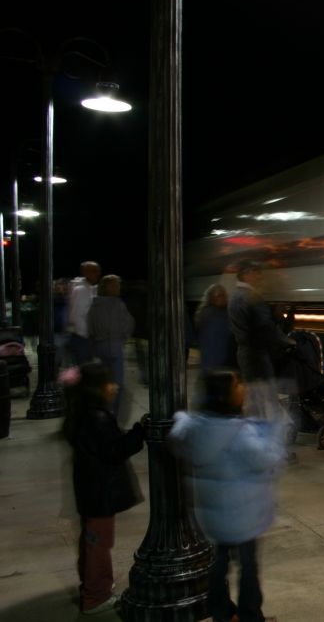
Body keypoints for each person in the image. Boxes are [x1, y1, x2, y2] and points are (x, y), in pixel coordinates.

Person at [169, 370, 285, 622]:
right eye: (237, 385)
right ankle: (250, 616)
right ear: (226, 396)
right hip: (242, 516)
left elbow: (178, 430)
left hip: (211, 517)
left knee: (217, 568)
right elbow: (267, 459)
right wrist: (275, 433)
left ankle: (222, 614)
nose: (243, 387)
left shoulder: (195, 428)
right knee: (248, 568)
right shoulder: (241, 434)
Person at [60, 361, 146, 616]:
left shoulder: (82, 412)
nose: (115, 386)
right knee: (98, 545)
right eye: (109, 383)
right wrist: (139, 433)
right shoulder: (96, 417)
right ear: (96, 389)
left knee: (92, 543)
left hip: (91, 492)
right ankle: (96, 596)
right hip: (99, 493)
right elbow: (114, 451)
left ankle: (92, 587)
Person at [227, 261, 293, 384]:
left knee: (252, 390)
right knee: (266, 391)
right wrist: (287, 341)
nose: (260, 276)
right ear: (246, 274)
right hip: (256, 354)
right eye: (257, 273)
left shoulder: (233, 296)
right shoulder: (252, 297)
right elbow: (265, 326)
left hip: (243, 352)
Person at [87, 275, 135, 419]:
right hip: (113, 347)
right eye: (115, 286)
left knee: (104, 383)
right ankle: (112, 413)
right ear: (107, 287)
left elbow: (91, 328)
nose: (118, 288)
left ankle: (105, 412)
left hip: (100, 347)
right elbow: (128, 323)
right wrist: (122, 337)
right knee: (116, 384)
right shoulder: (118, 304)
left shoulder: (95, 305)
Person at [195, 283, 236, 375]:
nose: (222, 298)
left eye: (223, 295)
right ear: (211, 298)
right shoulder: (209, 315)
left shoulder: (226, 312)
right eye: (218, 296)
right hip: (215, 364)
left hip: (223, 363)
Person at [67, 261, 102, 364]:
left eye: (98, 271)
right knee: (83, 369)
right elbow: (77, 316)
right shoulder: (80, 290)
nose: (97, 273)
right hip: (83, 337)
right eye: (94, 271)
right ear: (85, 272)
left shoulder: (92, 288)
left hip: (88, 336)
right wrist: (88, 334)